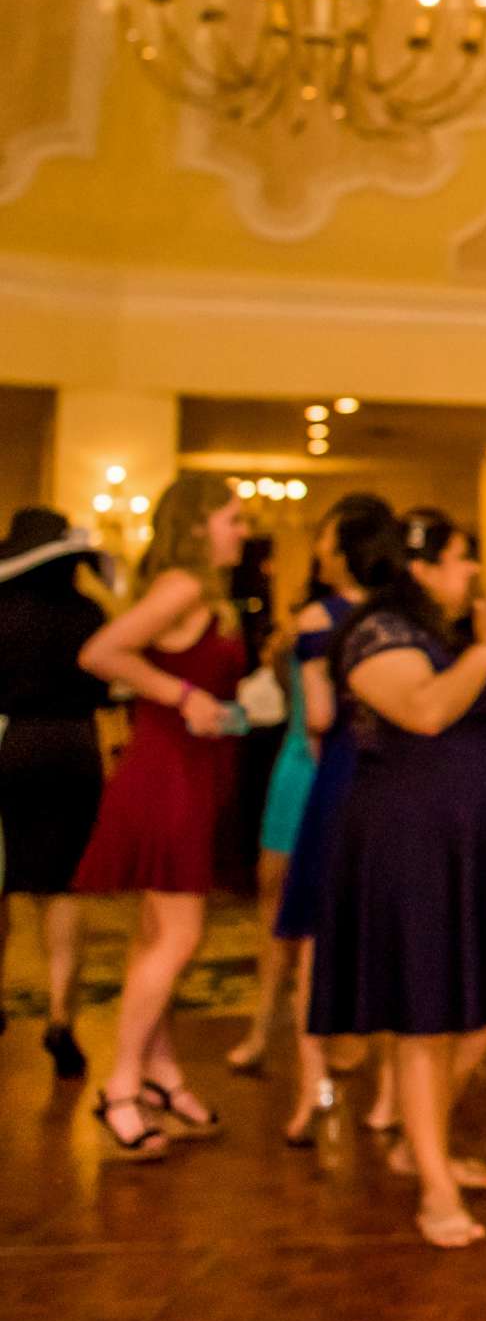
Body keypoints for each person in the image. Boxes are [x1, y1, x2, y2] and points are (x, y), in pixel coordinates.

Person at [308, 508, 486, 1247]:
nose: (470, 573)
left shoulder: (463, 636)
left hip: (482, 837)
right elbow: (423, 711)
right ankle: (435, 1186)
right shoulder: (376, 634)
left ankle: (419, 1140)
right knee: (425, 1020)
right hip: (410, 840)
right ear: (418, 568)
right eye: (457, 560)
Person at [73, 473, 251, 1159]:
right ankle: (118, 1085)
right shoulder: (180, 585)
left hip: (186, 770)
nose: (242, 529)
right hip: (168, 774)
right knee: (178, 937)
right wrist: (181, 694)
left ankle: (159, 1071)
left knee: (157, 938)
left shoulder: (199, 593)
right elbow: (100, 654)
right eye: (233, 518)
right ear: (200, 523)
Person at [270, 494, 395, 1144]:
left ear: (344, 548)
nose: (319, 550)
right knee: (390, 933)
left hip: (343, 772)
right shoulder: (401, 613)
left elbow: (317, 717)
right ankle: (391, 1098)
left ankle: (312, 1087)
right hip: (395, 777)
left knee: (318, 939)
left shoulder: (320, 616)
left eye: (324, 539)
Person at [0, 510, 109, 1080]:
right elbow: (106, 688)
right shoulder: (87, 613)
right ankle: (61, 1015)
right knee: (63, 888)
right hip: (74, 746)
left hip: (8, 740)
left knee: (0, 881)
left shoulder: (1, 612)